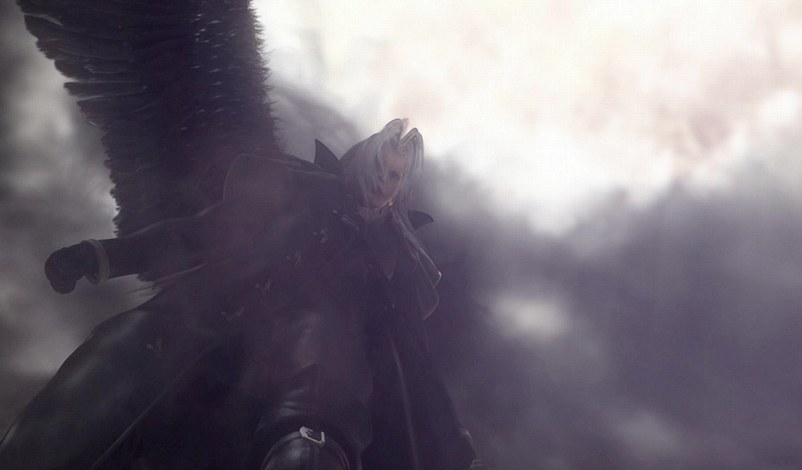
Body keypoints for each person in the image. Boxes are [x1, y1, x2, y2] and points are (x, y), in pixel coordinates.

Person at [0, 119, 482, 469]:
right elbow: (196, 234)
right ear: (361, 160)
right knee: (122, 351)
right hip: (217, 320)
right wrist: (98, 255)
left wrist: (450, 438)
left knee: (318, 385)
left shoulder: (393, 259)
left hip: (310, 365)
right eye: (380, 167)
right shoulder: (295, 193)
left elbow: (414, 356)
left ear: (401, 188)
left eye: (395, 175)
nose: (383, 181)